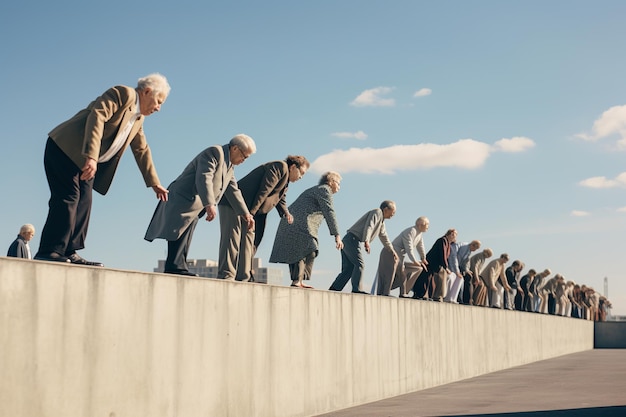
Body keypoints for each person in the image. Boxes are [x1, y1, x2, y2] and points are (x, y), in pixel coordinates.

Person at [34, 73, 171, 266]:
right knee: (68, 198)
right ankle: (50, 250)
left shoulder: (138, 118)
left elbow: (141, 149)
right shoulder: (124, 94)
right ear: (147, 91)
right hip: (66, 149)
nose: (158, 108)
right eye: (158, 101)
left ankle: (70, 251)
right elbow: (97, 115)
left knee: (85, 201)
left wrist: (154, 183)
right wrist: (91, 156)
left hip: (87, 161)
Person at [144, 134, 256, 276]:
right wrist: (210, 203)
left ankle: (178, 267)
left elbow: (233, 189)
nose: (243, 161)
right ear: (234, 148)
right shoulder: (215, 153)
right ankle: (175, 267)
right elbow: (204, 177)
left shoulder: (229, 166)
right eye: (244, 156)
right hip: (183, 198)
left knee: (185, 234)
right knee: (177, 233)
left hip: (194, 205)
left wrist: (245, 213)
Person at [218, 155, 310, 281]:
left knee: (252, 242)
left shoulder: (285, 179)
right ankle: (226, 275)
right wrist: (251, 213)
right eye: (302, 173)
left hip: (253, 209)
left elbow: (279, 197)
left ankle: (244, 276)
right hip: (234, 203)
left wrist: (286, 213)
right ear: (293, 167)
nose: (301, 177)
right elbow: (264, 190)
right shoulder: (279, 167)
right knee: (232, 238)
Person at [269, 172, 343, 288]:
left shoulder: (317, 189)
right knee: (306, 248)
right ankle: (297, 281)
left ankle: (298, 280)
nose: (339, 187)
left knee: (302, 250)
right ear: (331, 182)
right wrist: (337, 235)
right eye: (338, 184)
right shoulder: (325, 190)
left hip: (293, 222)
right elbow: (329, 212)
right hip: (298, 224)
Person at [329, 200, 397, 294]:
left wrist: (392, 250)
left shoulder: (381, 222)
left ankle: (334, 289)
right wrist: (366, 240)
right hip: (352, 239)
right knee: (359, 264)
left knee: (348, 269)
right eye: (393, 211)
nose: (394, 214)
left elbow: (384, 237)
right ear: (386, 209)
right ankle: (357, 289)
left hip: (349, 240)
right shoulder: (377, 212)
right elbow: (369, 225)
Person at [374, 216, 429, 297]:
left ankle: (403, 292)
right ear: (420, 225)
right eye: (427, 225)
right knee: (391, 273)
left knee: (410, 271)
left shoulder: (419, 234)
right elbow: (409, 247)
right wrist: (414, 261)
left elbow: (420, 246)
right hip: (391, 253)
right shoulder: (411, 231)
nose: (428, 227)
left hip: (400, 255)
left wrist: (423, 258)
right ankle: (385, 292)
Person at [412, 229, 457, 302]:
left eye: (455, 235)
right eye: (453, 234)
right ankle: (421, 294)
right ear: (449, 234)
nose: (454, 236)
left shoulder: (447, 243)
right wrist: (446, 267)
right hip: (431, 262)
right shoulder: (443, 240)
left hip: (435, 264)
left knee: (430, 280)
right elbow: (442, 254)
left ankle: (431, 295)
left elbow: (446, 256)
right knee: (426, 279)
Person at [445, 239, 481, 303]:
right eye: (476, 248)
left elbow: (465, 263)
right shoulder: (464, 247)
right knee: (454, 278)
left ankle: (455, 298)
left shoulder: (469, 251)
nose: (475, 250)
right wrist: (456, 271)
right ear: (473, 245)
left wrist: (467, 270)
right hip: (451, 265)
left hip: (456, 267)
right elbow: (455, 258)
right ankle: (448, 297)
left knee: (462, 280)